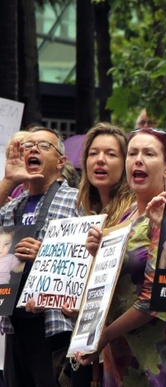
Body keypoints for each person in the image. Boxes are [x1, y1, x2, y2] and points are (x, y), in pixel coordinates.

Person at [75, 127, 166, 386]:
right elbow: (112, 281)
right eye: (132, 153)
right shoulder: (125, 214)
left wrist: (104, 336)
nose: (138, 160)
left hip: (149, 360)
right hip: (115, 357)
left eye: (148, 153)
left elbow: (154, 300)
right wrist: (96, 253)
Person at [0, 127, 81, 387]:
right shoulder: (12, 205)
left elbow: (88, 258)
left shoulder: (77, 200)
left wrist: (44, 255)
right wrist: (9, 181)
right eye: (28, 145)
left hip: (53, 326)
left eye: (43, 146)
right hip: (14, 324)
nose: (33, 149)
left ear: (61, 162)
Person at [76, 123, 136, 229]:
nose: (100, 159)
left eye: (111, 154)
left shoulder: (135, 212)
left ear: (126, 163)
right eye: (93, 153)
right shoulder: (85, 213)